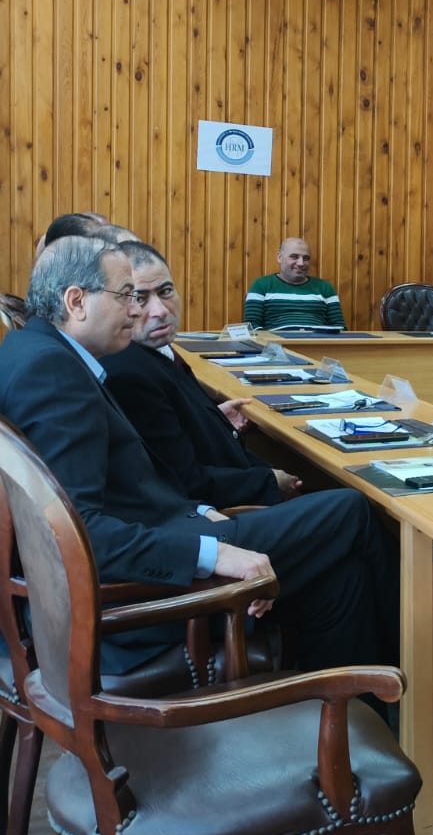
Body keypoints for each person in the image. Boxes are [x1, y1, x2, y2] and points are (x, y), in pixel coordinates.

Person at [0, 236, 393, 675]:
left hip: (163, 537)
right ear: (76, 302)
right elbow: (75, 533)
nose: (135, 310)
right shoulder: (52, 374)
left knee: (342, 579)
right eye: (126, 296)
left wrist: (202, 512)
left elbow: (120, 489)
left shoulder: (30, 349)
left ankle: (361, 698)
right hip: (127, 602)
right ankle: (404, 676)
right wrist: (215, 555)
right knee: (351, 509)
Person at [103, 242, 301, 508]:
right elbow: (186, 482)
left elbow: (178, 427)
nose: (160, 311)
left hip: (236, 474)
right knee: (350, 505)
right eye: (140, 298)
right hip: (220, 513)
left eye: (166, 291)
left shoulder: (159, 350)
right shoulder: (128, 372)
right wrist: (270, 480)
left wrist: (213, 419)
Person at [244, 237, 346, 330]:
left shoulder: (325, 288)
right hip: (275, 343)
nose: (301, 263)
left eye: (306, 258)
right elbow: (251, 327)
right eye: (294, 257)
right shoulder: (261, 286)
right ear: (279, 257)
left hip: (318, 343)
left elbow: (339, 327)